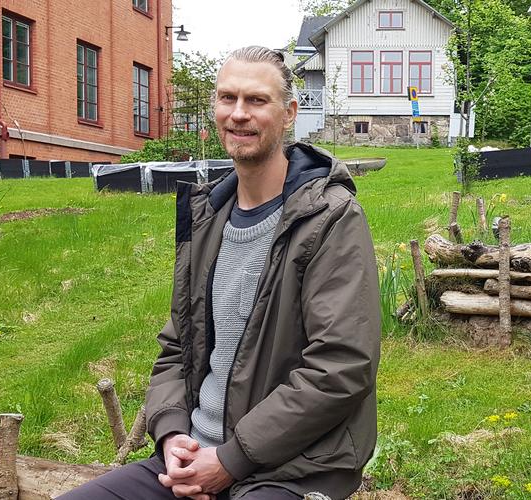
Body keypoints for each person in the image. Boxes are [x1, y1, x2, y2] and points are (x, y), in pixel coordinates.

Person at [59, 45, 381, 500]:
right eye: (227, 98)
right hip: (192, 455)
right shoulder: (208, 215)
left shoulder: (329, 218)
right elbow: (177, 346)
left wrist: (230, 461)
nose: (238, 114)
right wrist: (171, 435)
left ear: (289, 113)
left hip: (291, 469)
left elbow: (341, 365)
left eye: (256, 100)